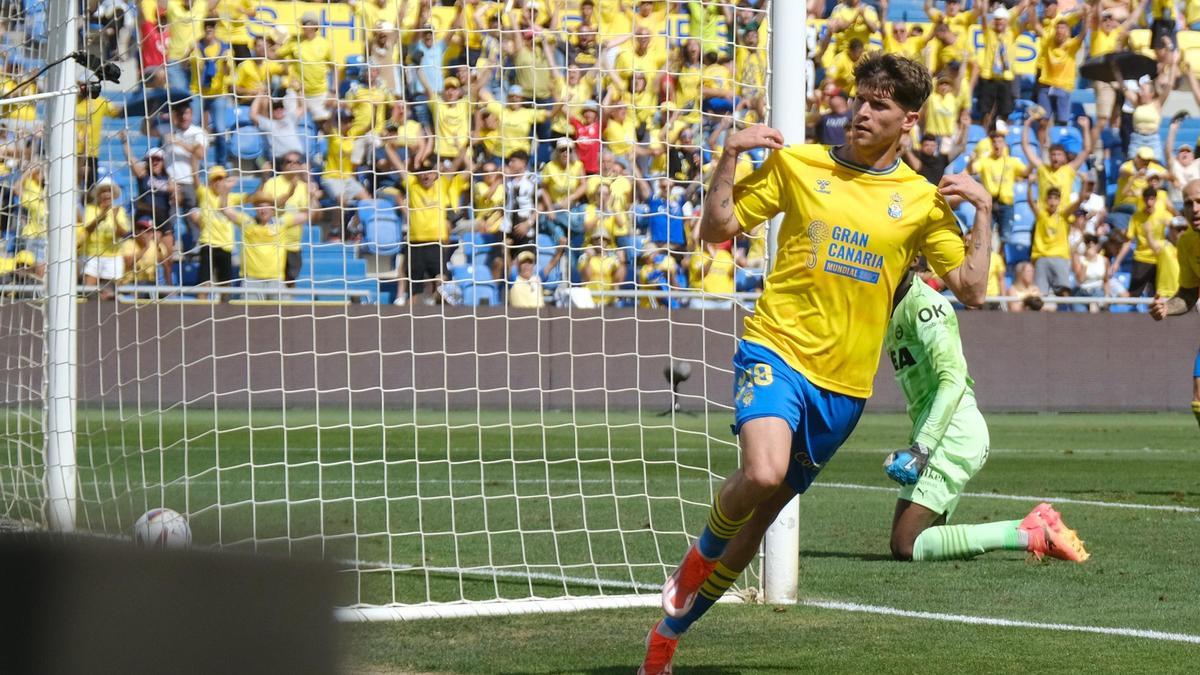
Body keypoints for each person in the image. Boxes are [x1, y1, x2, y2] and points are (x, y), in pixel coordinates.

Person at [639, 53, 994, 675]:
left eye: (879, 105)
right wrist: (729, 157)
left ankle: (669, 633)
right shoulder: (800, 164)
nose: (861, 111)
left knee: (764, 517)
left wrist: (983, 214)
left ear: (908, 120)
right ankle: (696, 561)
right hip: (774, 347)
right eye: (859, 98)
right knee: (764, 470)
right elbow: (715, 228)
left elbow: (971, 289)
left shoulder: (919, 199)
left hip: (845, 388)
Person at [883, 263, 1088, 562]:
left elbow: (952, 379)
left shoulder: (927, 306)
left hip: (952, 433)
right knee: (923, 539)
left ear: (912, 258)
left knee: (905, 544)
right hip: (935, 430)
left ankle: (1027, 532)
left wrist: (922, 447)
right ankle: (1034, 527)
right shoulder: (888, 305)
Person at [1148, 179, 1200, 431]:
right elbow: (1188, 294)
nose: (1195, 208)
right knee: (1198, 398)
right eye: (1189, 203)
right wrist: (1168, 307)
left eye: (1199, 201)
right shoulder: (1188, 243)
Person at [1112, 187, 1172, 298]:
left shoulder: (1163, 214)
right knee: (1133, 295)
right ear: (1143, 200)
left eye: (1152, 199)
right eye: (1147, 199)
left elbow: (1176, 229)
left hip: (1160, 259)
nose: (1149, 203)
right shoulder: (1136, 217)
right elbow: (1127, 241)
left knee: (1159, 295)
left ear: (1156, 200)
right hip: (1141, 259)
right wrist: (1117, 262)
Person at [79, 182, 131, 301]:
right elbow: (87, 229)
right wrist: (101, 216)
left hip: (113, 256)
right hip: (92, 255)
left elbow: (123, 234)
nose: (107, 194)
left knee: (111, 295)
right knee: (89, 293)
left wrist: (115, 218)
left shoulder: (119, 210)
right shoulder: (90, 209)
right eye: (103, 191)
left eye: (109, 191)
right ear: (98, 194)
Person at [1027, 187, 1078, 294]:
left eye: (1055, 198)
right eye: (1050, 198)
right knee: (1040, 293)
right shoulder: (1041, 216)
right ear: (1046, 200)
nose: (1053, 201)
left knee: (1064, 291)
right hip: (1042, 257)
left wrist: (1085, 184)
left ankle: (1068, 311)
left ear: (1059, 201)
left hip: (1060, 257)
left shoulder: (1063, 216)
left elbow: (1080, 201)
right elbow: (1031, 202)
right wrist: (1030, 184)